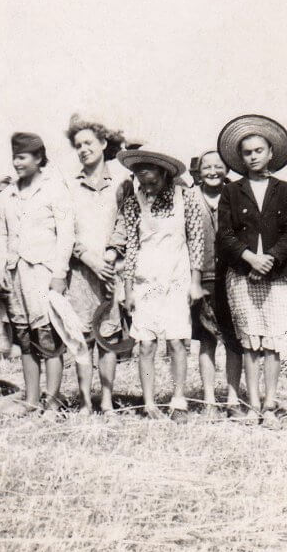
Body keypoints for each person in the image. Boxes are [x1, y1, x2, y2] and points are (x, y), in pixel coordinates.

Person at [217, 115, 287, 424]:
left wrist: (268, 259)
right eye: (247, 152)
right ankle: (253, 403)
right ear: (240, 158)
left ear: (271, 153)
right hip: (242, 275)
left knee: (273, 340)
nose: (254, 156)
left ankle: (270, 403)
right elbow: (226, 234)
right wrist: (249, 259)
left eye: (259, 150)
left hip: (277, 274)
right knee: (250, 340)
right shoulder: (232, 192)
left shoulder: (284, 189)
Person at [112, 149, 205, 421]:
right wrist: (128, 289)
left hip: (177, 279)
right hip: (145, 282)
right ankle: (150, 403)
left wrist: (195, 282)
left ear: (164, 172)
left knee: (176, 342)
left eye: (151, 179)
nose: (146, 186)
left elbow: (196, 241)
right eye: (141, 180)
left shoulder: (185, 198)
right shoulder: (131, 204)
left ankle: (178, 401)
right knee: (146, 345)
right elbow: (131, 247)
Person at [0, 132, 74, 412]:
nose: (17, 163)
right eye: (15, 157)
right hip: (16, 276)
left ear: (38, 158)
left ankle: (51, 402)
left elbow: (66, 234)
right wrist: (0, 268)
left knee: (48, 337)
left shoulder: (54, 190)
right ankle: (30, 399)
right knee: (25, 338)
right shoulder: (7, 195)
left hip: (44, 273)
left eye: (23, 157)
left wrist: (59, 273)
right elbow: (0, 235)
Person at [65, 114, 131, 414]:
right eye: (78, 145)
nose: (83, 149)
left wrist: (112, 256)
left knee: (108, 336)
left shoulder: (122, 183)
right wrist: (88, 258)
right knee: (82, 339)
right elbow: (65, 231)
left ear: (104, 143)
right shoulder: (69, 184)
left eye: (89, 143)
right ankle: (84, 402)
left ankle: (106, 400)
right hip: (79, 273)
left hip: (111, 271)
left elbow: (126, 223)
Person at [191, 150, 243, 410]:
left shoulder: (237, 195)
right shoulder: (189, 198)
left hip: (233, 277)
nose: (212, 171)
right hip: (200, 276)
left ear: (227, 169)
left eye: (218, 166)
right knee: (207, 340)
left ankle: (233, 398)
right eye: (206, 167)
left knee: (235, 340)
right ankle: (209, 398)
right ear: (198, 171)